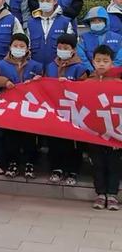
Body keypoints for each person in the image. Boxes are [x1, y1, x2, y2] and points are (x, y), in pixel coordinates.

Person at [0, 33, 43, 179]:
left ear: (27, 49)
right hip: (10, 108)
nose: (18, 48)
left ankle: (30, 163)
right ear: (10, 47)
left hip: (29, 108)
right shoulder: (1, 64)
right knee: (11, 137)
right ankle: (12, 163)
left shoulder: (36, 65)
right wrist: (5, 82)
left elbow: (44, 85)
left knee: (29, 138)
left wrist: (38, 80)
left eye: (21, 46)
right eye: (15, 46)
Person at [45, 34, 87, 187]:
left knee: (72, 143)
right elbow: (44, 85)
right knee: (55, 142)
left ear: (73, 50)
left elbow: (85, 89)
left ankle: (73, 170)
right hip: (55, 111)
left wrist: (70, 84)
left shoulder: (80, 68)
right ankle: (56, 169)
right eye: (60, 48)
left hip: (73, 113)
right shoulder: (50, 66)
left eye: (66, 48)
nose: (62, 51)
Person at [86, 45, 122, 211]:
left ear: (111, 63)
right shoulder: (86, 83)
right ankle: (100, 194)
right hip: (94, 132)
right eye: (98, 60)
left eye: (105, 61)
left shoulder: (117, 84)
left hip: (114, 132)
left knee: (114, 165)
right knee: (98, 164)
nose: (101, 64)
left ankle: (112, 195)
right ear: (93, 62)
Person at [27, 0, 73, 68]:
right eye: (42, 1)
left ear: (55, 1)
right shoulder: (31, 22)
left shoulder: (65, 22)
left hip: (57, 67)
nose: (45, 3)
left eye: (48, 0)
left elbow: (71, 47)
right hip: (35, 68)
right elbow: (27, 46)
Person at [77, 6, 122, 72]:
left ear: (106, 21)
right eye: (93, 21)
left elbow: (120, 57)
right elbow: (81, 56)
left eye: (100, 20)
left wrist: (111, 70)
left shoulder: (117, 38)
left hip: (113, 74)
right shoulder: (84, 37)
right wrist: (91, 70)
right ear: (89, 23)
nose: (97, 23)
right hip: (90, 74)